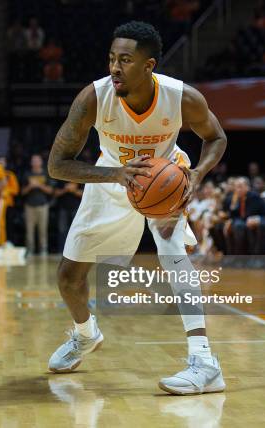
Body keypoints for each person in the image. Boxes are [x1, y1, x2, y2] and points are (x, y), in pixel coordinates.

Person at [46, 21, 228, 395]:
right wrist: (116, 174)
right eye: (112, 58)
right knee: (68, 278)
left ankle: (205, 362)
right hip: (112, 179)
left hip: (165, 180)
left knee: (175, 255)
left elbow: (216, 138)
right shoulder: (94, 98)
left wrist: (195, 174)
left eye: (125, 60)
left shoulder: (182, 97)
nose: (115, 67)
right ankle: (86, 334)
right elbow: (57, 165)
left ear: (149, 66)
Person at [22, 154, 53, 255]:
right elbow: (22, 192)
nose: (35, 163)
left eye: (37, 161)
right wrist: (30, 186)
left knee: (43, 229)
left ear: (41, 162)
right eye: (33, 161)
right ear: (31, 163)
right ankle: (30, 249)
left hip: (43, 205)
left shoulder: (45, 173)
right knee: (29, 230)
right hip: (29, 206)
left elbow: (50, 190)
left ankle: (43, 249)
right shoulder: (27, 174)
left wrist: (39, 185)